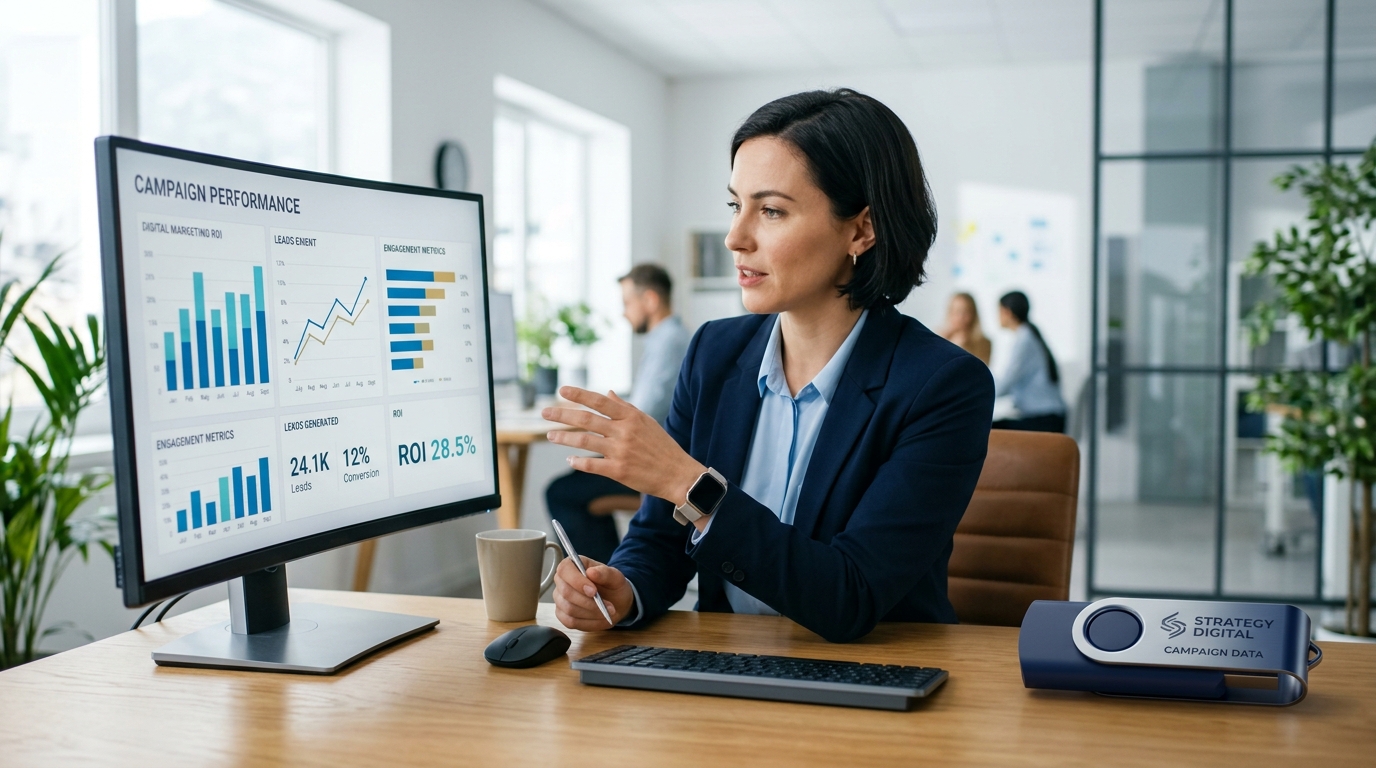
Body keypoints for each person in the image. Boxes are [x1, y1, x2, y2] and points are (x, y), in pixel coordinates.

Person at [541, 88, 993, 644]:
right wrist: (625, 589)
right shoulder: (714, 352)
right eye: (737, 205)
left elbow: (849, 597)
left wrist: (686, 482)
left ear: (860, 230)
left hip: (873, 686)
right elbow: (659, 541)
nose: (735, 237)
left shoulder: (943, 386)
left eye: (771, 210)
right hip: (730, 671)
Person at [544, 264, 690, 564]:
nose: (624, 313)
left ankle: (603, 579)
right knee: (577, 479)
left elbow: (644, 413)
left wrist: (592, 411)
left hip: (658, 464)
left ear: (649, 300)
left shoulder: (668, 342)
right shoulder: (669, 338)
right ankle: (614, 569)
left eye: (627, 303)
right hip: (664, 455)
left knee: (562, 493)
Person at [991, 290, 1066, 433]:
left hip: (1044, 420)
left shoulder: (1024, 340)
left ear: (1007, 312)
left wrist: (977, 393)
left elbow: (1007, 381)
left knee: (986, 430)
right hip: (1046, 416)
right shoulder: (1028, 334)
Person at [939, 292, 991, 365]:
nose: (961, 317)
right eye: (957, 311)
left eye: (966, 311)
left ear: (973, 314)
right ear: (950, 313)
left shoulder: (983, 342)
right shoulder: (939, 339)